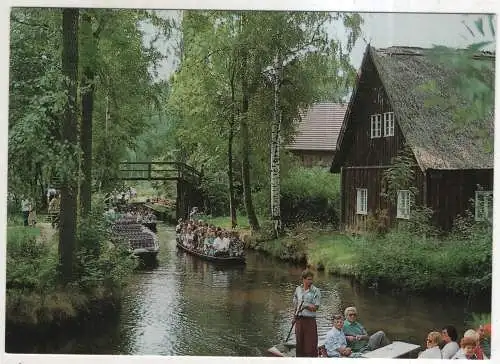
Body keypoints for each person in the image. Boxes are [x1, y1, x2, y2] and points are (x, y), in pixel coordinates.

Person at [292, 269, 321, 357]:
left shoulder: (316, 291)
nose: (310, 281)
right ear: (303, 279)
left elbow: (316, 307)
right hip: (299, 320)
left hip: (310, 320)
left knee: (310, 344)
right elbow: (296, 305)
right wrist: (294, 318)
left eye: (311, 279)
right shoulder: (298, 289)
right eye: (308, 279)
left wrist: (305, 306)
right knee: (299, 342)